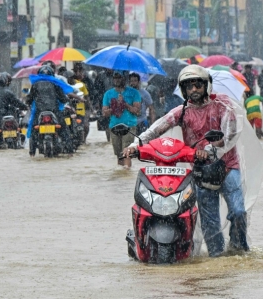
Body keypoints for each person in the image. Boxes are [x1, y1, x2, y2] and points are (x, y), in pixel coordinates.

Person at [122, 65, 250, 256]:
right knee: (210, 222)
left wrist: (212, 148)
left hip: (227, 166)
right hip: (200, 171)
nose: (193, 90)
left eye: (197, 85)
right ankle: (218, 261)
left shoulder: (223, 104)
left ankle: (239, 249)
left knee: (238, 211)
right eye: (188, 87)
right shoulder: (181, 112)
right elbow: (157, 128)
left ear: (206, 85)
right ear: (183, 90)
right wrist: (135, 144)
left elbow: (231, 133)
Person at [25, 65, 72, 157]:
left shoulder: (35, 85)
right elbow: (63, 99)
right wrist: (67, 100)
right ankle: (69, 151)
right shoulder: (55, 84)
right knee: (64, 130)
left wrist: (28, 103)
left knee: (34, 130)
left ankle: (32, 153)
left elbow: (29, 99)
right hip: (54, 111)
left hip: (39, 112)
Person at [102, 71, 141, 168]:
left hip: (129, 126)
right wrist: (115, 107)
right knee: (119, 155)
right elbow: (104, 113)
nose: (117, 80)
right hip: (114, 126)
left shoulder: (134, 93)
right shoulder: (108, 94)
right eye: (115, 78)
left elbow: (136, 111)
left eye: (119, 78)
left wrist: (125, 104)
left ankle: (126, 174)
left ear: (124, 79)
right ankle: (120, 178)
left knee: (126, 153)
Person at [0, 73, 28, 149]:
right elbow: (17, 103)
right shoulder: (8, 92)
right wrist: (26, 107)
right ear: (5, 82)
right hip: (2, 118)